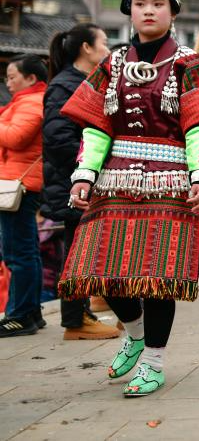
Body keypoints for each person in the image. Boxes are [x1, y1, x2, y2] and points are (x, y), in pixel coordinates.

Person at [60, 0, 199, 396]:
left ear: (173, 12)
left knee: (158, 278)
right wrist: (85, 174)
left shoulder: (190, 63)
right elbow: (97, 127)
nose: (149, 11)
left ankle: (154, 360)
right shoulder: (112, 63)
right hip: (115, 179)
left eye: (158, 3)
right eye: (140, 4)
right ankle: (134, 334)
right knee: (101, 273)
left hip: (171, 179)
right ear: (128, 11)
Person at [42, 24, 120, 340]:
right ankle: (75, 320)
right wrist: (91, 167)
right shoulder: (64, 86)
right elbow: (58, 139)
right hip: (74, 184)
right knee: (79, 252)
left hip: (86, 183)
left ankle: (85, 311)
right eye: (103, 42)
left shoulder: (87, 82)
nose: (107, 48)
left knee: (87, 250)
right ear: (86, 48)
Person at [0, 55, 48, 337]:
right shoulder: (25, 102)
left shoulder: (32, 102)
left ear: (31, 78)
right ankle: (30, 311)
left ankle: (19, 315)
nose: (8, 82)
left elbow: (16, 137)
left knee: (18, 253)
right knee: (25, 250)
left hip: (19, 187)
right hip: (20, 184)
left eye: (12, 76)